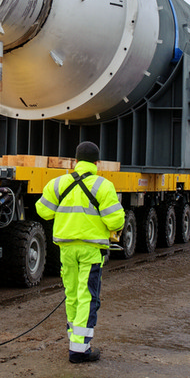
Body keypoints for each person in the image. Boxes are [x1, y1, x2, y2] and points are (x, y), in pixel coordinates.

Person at [36, 141, 125, 364]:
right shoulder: (103, 186)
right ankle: (79, 350)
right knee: (87, 297)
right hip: (91, 250)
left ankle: (75, 340)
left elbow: (43, 211)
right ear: (97, 163)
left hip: (66, 249)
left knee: (73, 294)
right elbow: (116, 220)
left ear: (75, 161)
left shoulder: (58, 183)